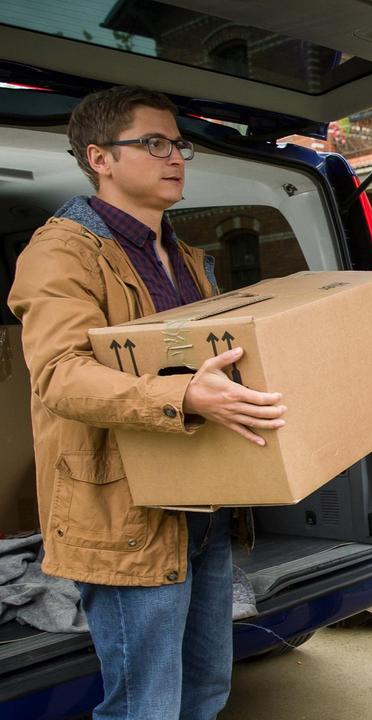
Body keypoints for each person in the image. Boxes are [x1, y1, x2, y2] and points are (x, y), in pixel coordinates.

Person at [7, 86, 287, 720]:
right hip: (124, 516)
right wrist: (185, 393)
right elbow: (60, 375)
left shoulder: (189, 256)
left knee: (208, 691)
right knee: (146, 707)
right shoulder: (61, 252)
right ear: (100, 157)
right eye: (154, 143)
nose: (175, 157)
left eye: (178, 144)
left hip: (204, 507)